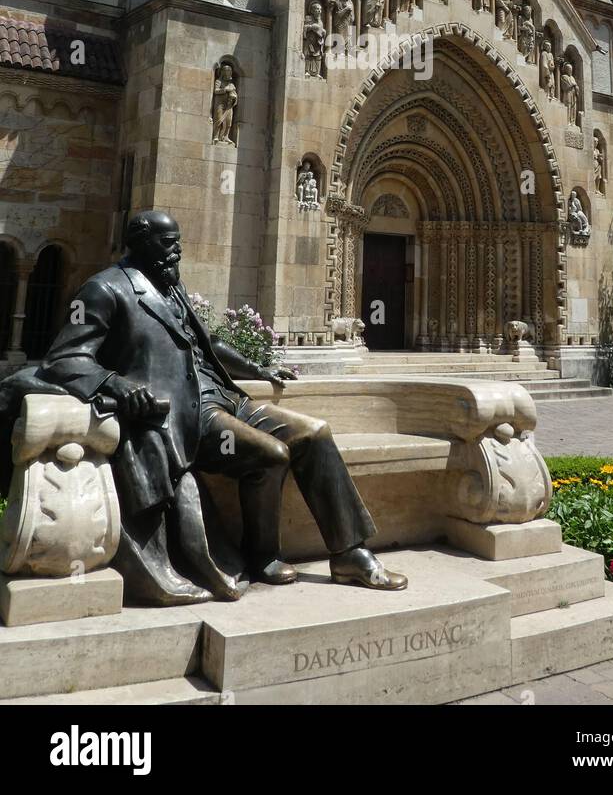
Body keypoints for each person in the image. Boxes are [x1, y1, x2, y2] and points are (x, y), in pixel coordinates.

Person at [0, 212, 407, 605]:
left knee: (314, 433)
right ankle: (261, 555)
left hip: (225, 398)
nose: (176, 253)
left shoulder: (169, 285)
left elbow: (205, 341)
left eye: (178, 244)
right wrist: (118, 385)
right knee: (270, 454)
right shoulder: (106, 289)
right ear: (140, 243)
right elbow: (66, 357)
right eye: (167, 244)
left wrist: (256, 366)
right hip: (186, 415)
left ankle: (350, 553)